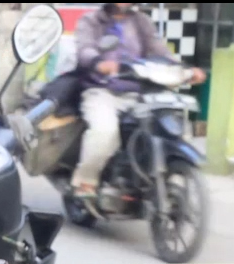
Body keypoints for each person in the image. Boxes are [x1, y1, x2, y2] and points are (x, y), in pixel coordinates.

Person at [11, 4, 206, 212]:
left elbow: (159, 50)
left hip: (140, 92)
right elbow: (85, 50)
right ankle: (85, 180)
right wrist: (99, 62)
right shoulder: (91, 21)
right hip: (102, 91)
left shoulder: (141, 22)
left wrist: (184, 70)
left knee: (170, 124)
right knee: (105, 131)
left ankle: (167, 177)